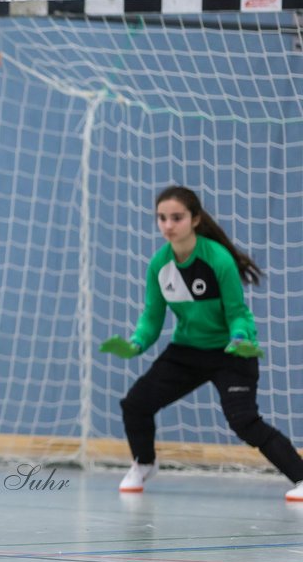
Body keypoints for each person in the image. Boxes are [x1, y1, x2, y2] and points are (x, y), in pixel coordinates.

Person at [100, 185, 303, 500]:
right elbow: (152, 318)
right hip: (188, 351)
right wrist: (136, 343)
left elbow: (237, 313)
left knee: (244, 422)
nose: (168, 225)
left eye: (176, 218)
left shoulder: (217, 259)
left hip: (231, 352)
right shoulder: (159, 265)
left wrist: (239, 339)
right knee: (135, 405)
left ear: (194, 219)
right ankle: (144, 464)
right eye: (162, 218)